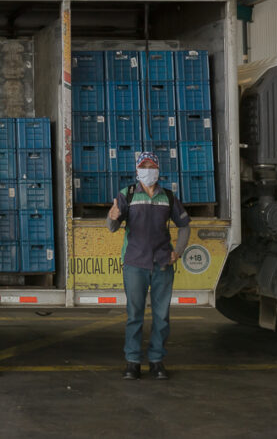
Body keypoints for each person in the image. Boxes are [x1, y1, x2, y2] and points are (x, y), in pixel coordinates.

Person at [108, 151, 190, 381]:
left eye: (152, 165)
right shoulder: (128, 194)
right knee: (134, 314)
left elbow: (184, 225)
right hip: (135, 263)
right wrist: (112, 216)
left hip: (162, 263)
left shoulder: (169, 197)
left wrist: (178, 252)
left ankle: (156, 361)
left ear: (158, 169)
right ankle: (132, 362)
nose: (148, 169)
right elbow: (112, 227)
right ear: (137, 170)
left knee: (161, 315)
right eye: (144, 165)